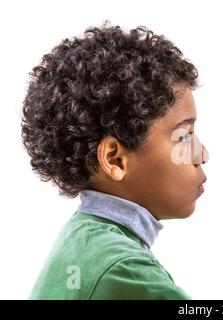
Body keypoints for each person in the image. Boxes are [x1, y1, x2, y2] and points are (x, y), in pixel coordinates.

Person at [21, 21, 209, 299]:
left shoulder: (83, 238)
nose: (202, 153)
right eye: (183, 136)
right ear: (115, 160)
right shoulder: (123, 270)